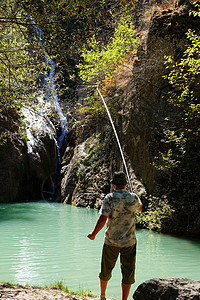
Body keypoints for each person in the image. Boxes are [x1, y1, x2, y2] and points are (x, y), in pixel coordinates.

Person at [87, 171, 142, 300]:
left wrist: (93, 234)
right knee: (128, 272)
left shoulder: (109, 198)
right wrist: (137, 198)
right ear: (125, 185)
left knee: (106, 269)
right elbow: (139, 208)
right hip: (129, 242)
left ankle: (102, 296)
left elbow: (103, 218)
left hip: (111, 241)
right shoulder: (133, 197)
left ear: (113, 185)